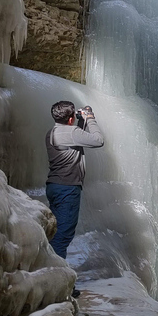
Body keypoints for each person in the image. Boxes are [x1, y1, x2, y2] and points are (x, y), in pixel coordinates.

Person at [45, 101, 104, 291]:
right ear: (70, 118)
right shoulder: (71, 133)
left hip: (54, 186)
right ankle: (59, 287)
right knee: (62, 237)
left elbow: (75, 139)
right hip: (67, 189)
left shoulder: (53, 133)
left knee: (56, 233)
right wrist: (90, 119)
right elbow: (97, 140)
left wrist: (80, 122)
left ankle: (52, 278)